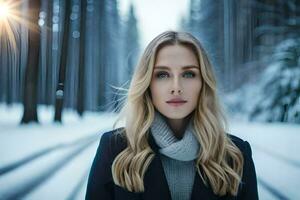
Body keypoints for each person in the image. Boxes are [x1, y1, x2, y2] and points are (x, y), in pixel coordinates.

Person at [85, 31, 258, 200]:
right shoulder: (114, 149)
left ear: (203, 83)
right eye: (162, 74)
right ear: (147, 84)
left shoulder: (236, 154)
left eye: (189, 74)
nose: (176, 87)